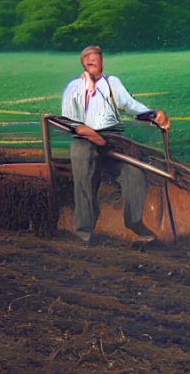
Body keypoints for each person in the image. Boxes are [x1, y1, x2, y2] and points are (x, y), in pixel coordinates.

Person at [61, 45, 170, 245]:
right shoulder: (74, 87)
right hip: (84, 139)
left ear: (101, 62)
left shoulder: (112, 83)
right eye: (87, 60)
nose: (91, 62)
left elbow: (131, 106)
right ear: (82, 63)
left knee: (134, 172)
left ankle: (134, 222)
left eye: (95, 59)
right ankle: (85, 232)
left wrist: (154, 114)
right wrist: (93, 136)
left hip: (112, 140)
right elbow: (71, 123)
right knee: (83, 165)